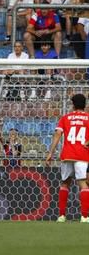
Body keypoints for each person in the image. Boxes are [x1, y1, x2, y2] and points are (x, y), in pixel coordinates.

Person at [45, 93, 89, 223]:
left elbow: (58, 134)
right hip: (82, 154)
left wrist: (50, 153)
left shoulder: (66, 118)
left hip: (67, 154)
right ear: (85, 105)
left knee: (65, 183)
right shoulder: (88, 118)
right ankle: (85, 217)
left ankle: (61, 216)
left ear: (73, 104)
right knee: (83, 184)